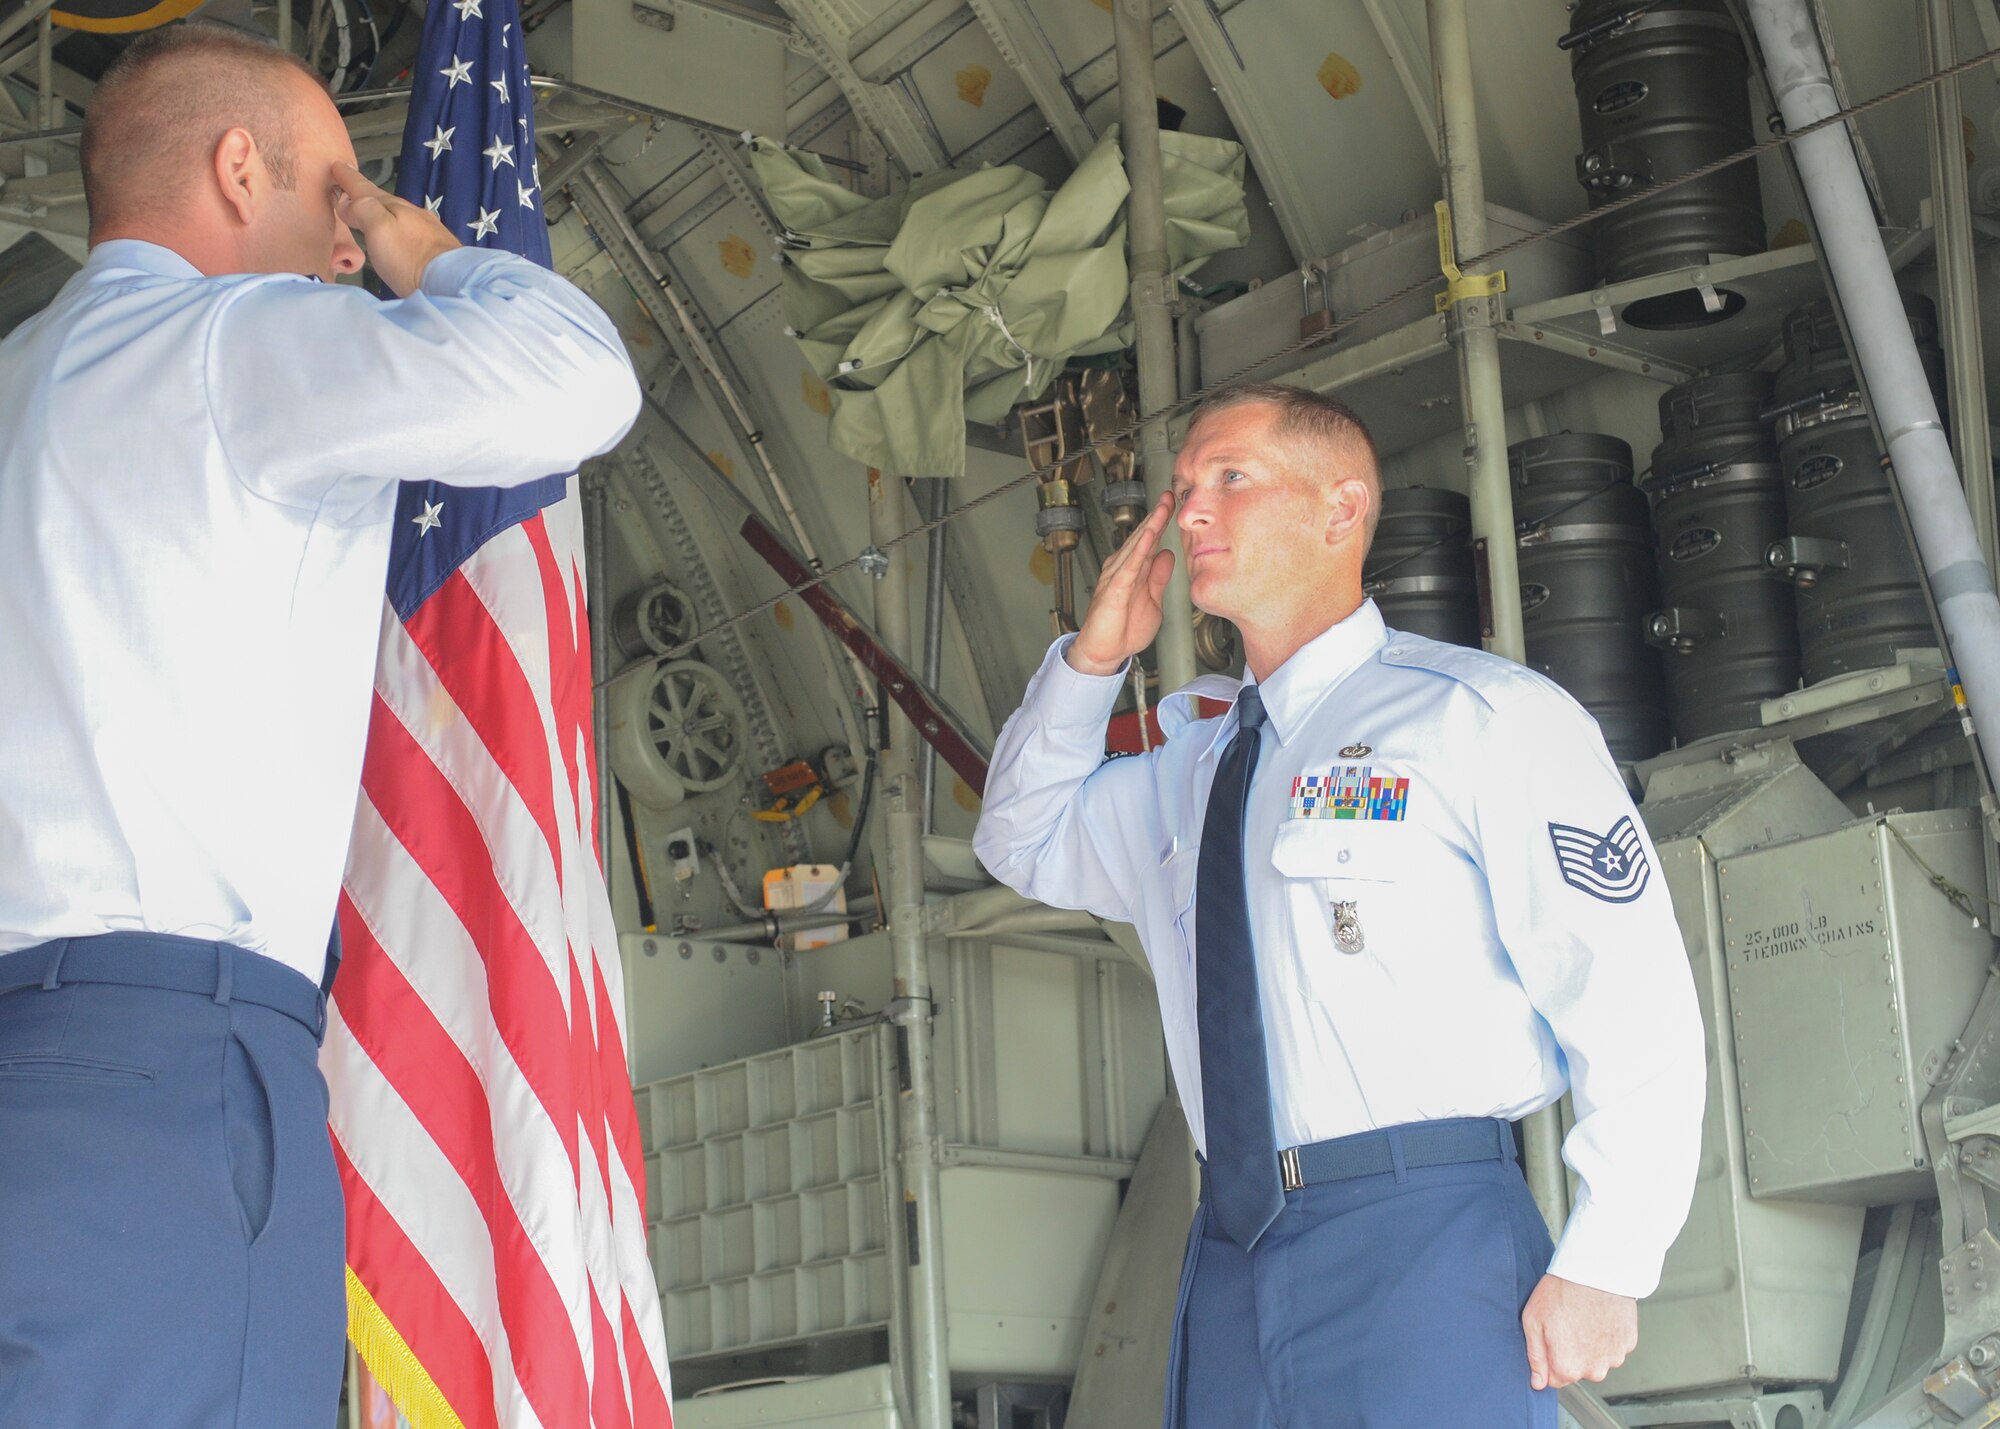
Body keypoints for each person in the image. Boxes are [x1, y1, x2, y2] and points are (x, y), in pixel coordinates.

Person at [0, 23, 639, 1429]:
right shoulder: (235, 346)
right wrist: (429, 252)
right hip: (172, 1075)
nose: (345, 243)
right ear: (241, 170)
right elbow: (580, 382)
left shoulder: (18, 383)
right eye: (333, 190)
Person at [974, 382, 1705, 1426]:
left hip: (1422, 1229)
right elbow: (1019, 838)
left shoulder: (1479, 717)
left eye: (1229, 478)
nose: (1188, 512)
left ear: (1338, 508)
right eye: (1183, 486)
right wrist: (1092, 664)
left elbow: (1625, 988)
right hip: (1229, 1242)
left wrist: (1609, 1253)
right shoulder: (1195, 765)